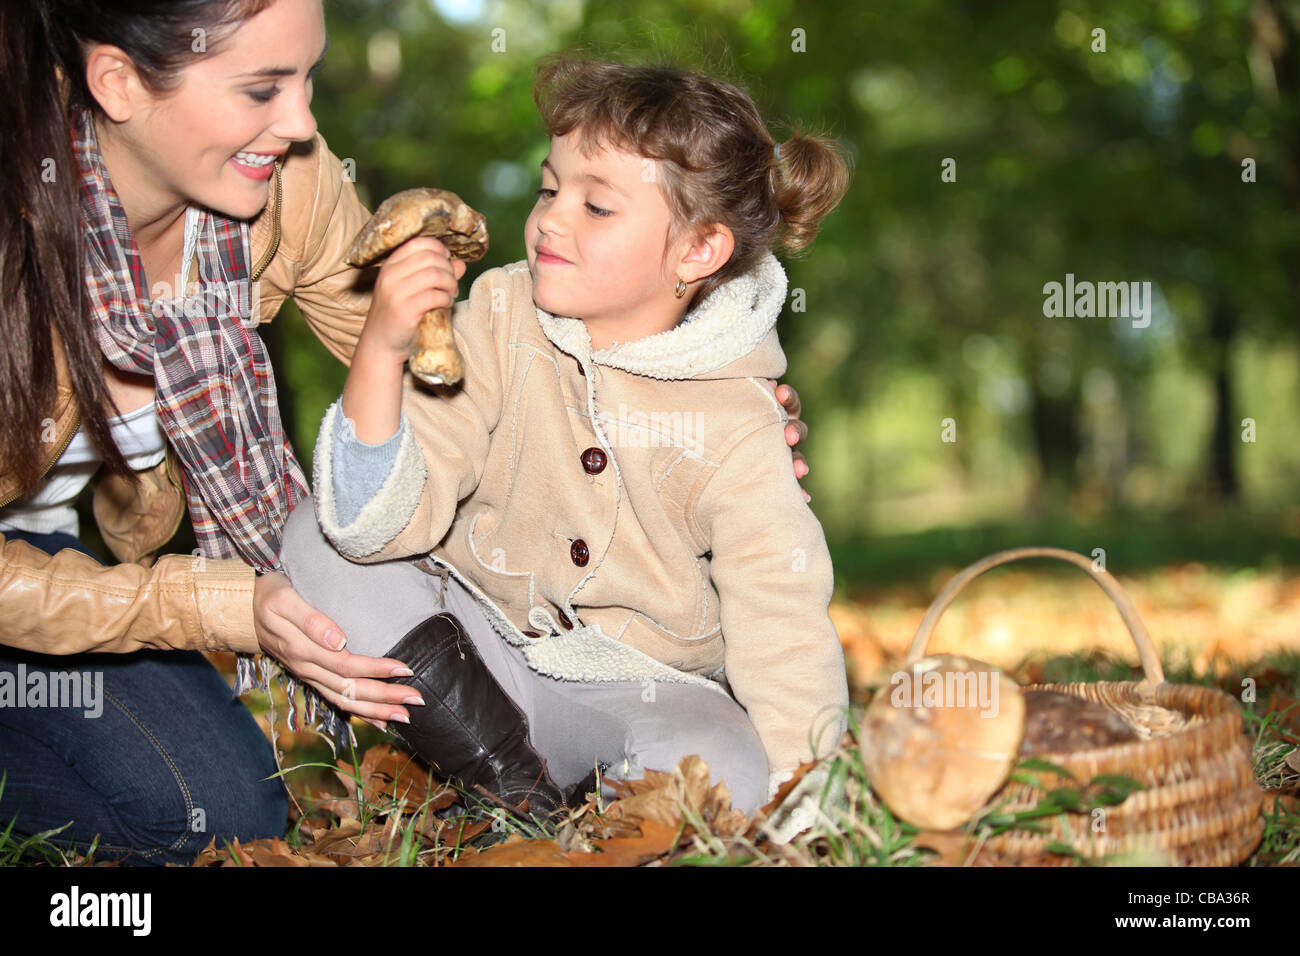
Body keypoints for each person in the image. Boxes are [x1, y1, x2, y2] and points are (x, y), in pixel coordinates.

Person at [0, 3, 810, 863]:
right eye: (262, 88)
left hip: (66, 555)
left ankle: (527, 800)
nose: (304, 123)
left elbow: (433, 407)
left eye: (307, 78)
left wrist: (656, 394)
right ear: (119, 82)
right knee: (186, 805)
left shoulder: (285, 183)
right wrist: (221, 602)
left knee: (223, 809)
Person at [281, 55, 851, 834]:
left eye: (598, 207)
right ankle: (522, 797)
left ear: (698, 252)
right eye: (551, 189)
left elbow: (782, 623)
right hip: (478, 657)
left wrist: (805, 812)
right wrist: (382, 354)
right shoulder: (500, 315)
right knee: (314, 538)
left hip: (642, 696)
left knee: (730, 767)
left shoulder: (741, 422)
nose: (551, 218)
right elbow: (377, 523)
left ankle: (592, 804)